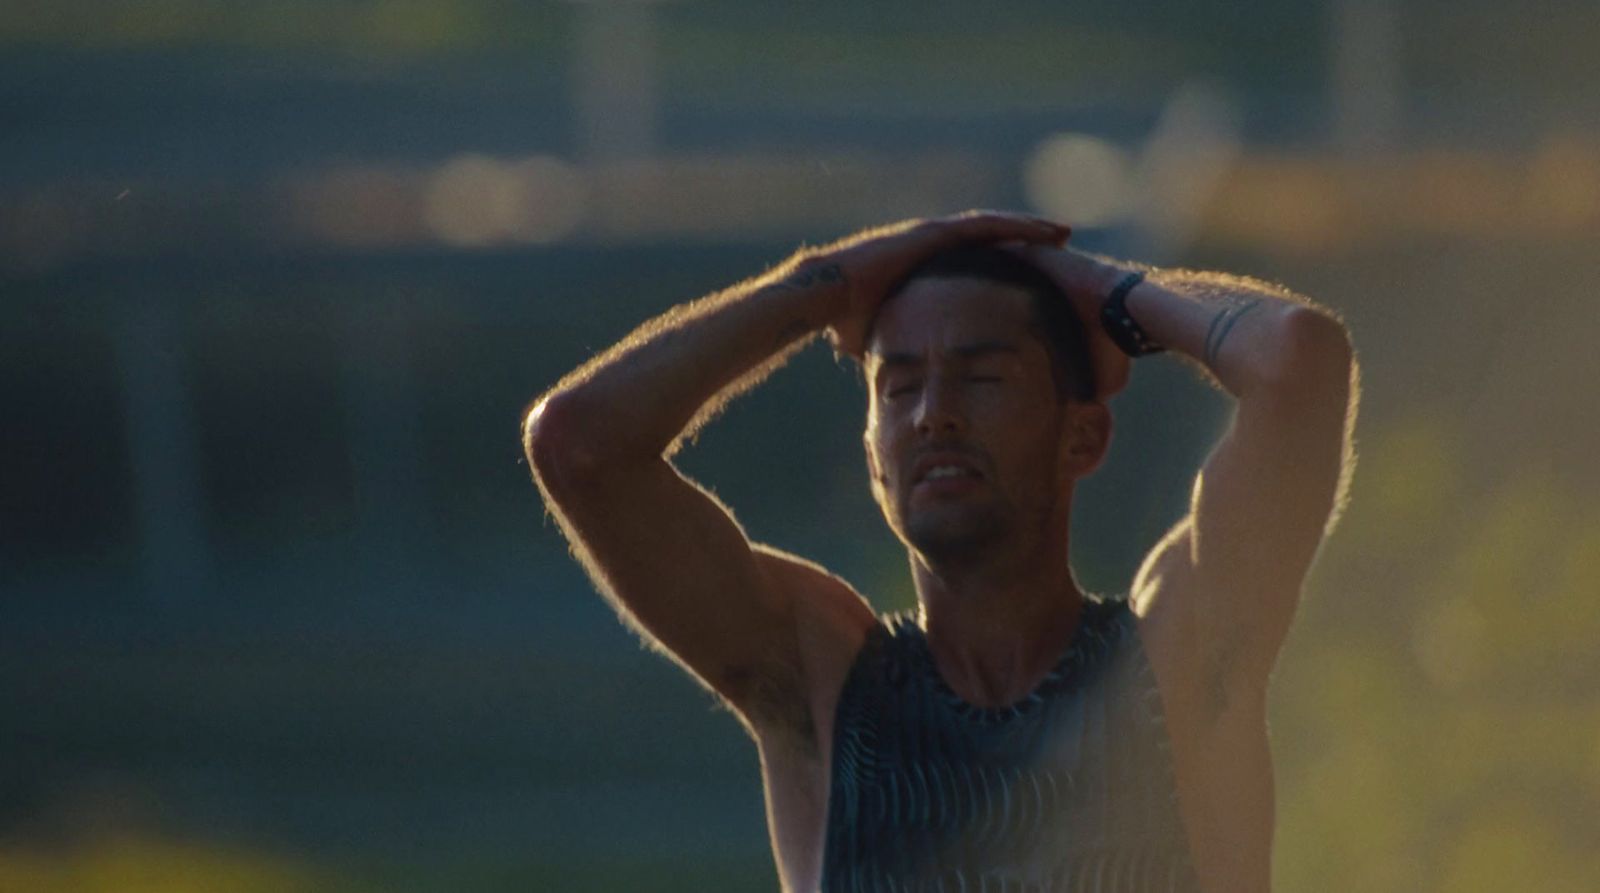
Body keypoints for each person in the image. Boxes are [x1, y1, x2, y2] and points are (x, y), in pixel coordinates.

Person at [522, 211, 1358, 892]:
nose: (934, 415)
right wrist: (826, 285)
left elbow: (1298, 359)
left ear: (1084, 434)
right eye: (899, 386)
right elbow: (578, 444)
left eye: (982, 377)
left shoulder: (1175, 659)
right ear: (872, 450)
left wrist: (1104, 290)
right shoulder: (826, 687)